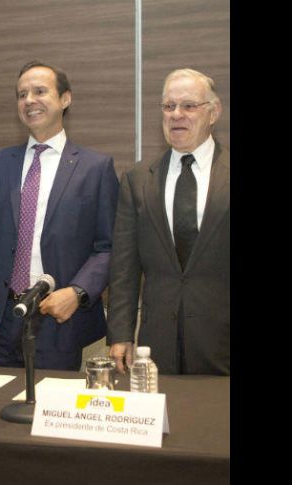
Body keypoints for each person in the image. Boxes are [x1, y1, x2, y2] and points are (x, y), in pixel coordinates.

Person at [0, 60, 119, 371]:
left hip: (57, 318)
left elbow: (109, 246)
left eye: (40, 91)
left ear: (65, 99)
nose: (29, 100)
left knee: (50, 402)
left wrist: (77, 292)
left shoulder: (95, 168)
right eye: (22, 94)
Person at [107, 69, 229, 375]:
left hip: (222, 341)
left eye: (189, 106)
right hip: (157, 344)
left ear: (213, 113)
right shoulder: (137, 179)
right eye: (168, 106)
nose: (176, 115)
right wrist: (121, 333)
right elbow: (124, 266)